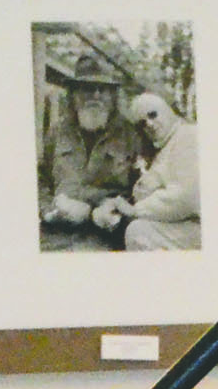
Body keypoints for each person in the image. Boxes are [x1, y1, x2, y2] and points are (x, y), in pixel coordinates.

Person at [36, 58, 141, 250]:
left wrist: (113, 208)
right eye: (87, 88)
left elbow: (143, 189)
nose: (96, 95)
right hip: (55, 235)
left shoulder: (130, 136)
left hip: (107, 238)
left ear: (113, 96)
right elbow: (39, 179)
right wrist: (48, 210)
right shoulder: (57, 131)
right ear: (74, 94)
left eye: (103, 89)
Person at [91, 90, 200, 251]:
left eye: (153, 115)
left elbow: (184, 197)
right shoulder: (164, 147)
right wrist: (118, 205)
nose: (148, 124)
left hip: (198, 226)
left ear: (167, 111)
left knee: (139, 232)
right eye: (142, 123)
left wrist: (135, 210)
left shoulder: (188, 136)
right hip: (179, 223)